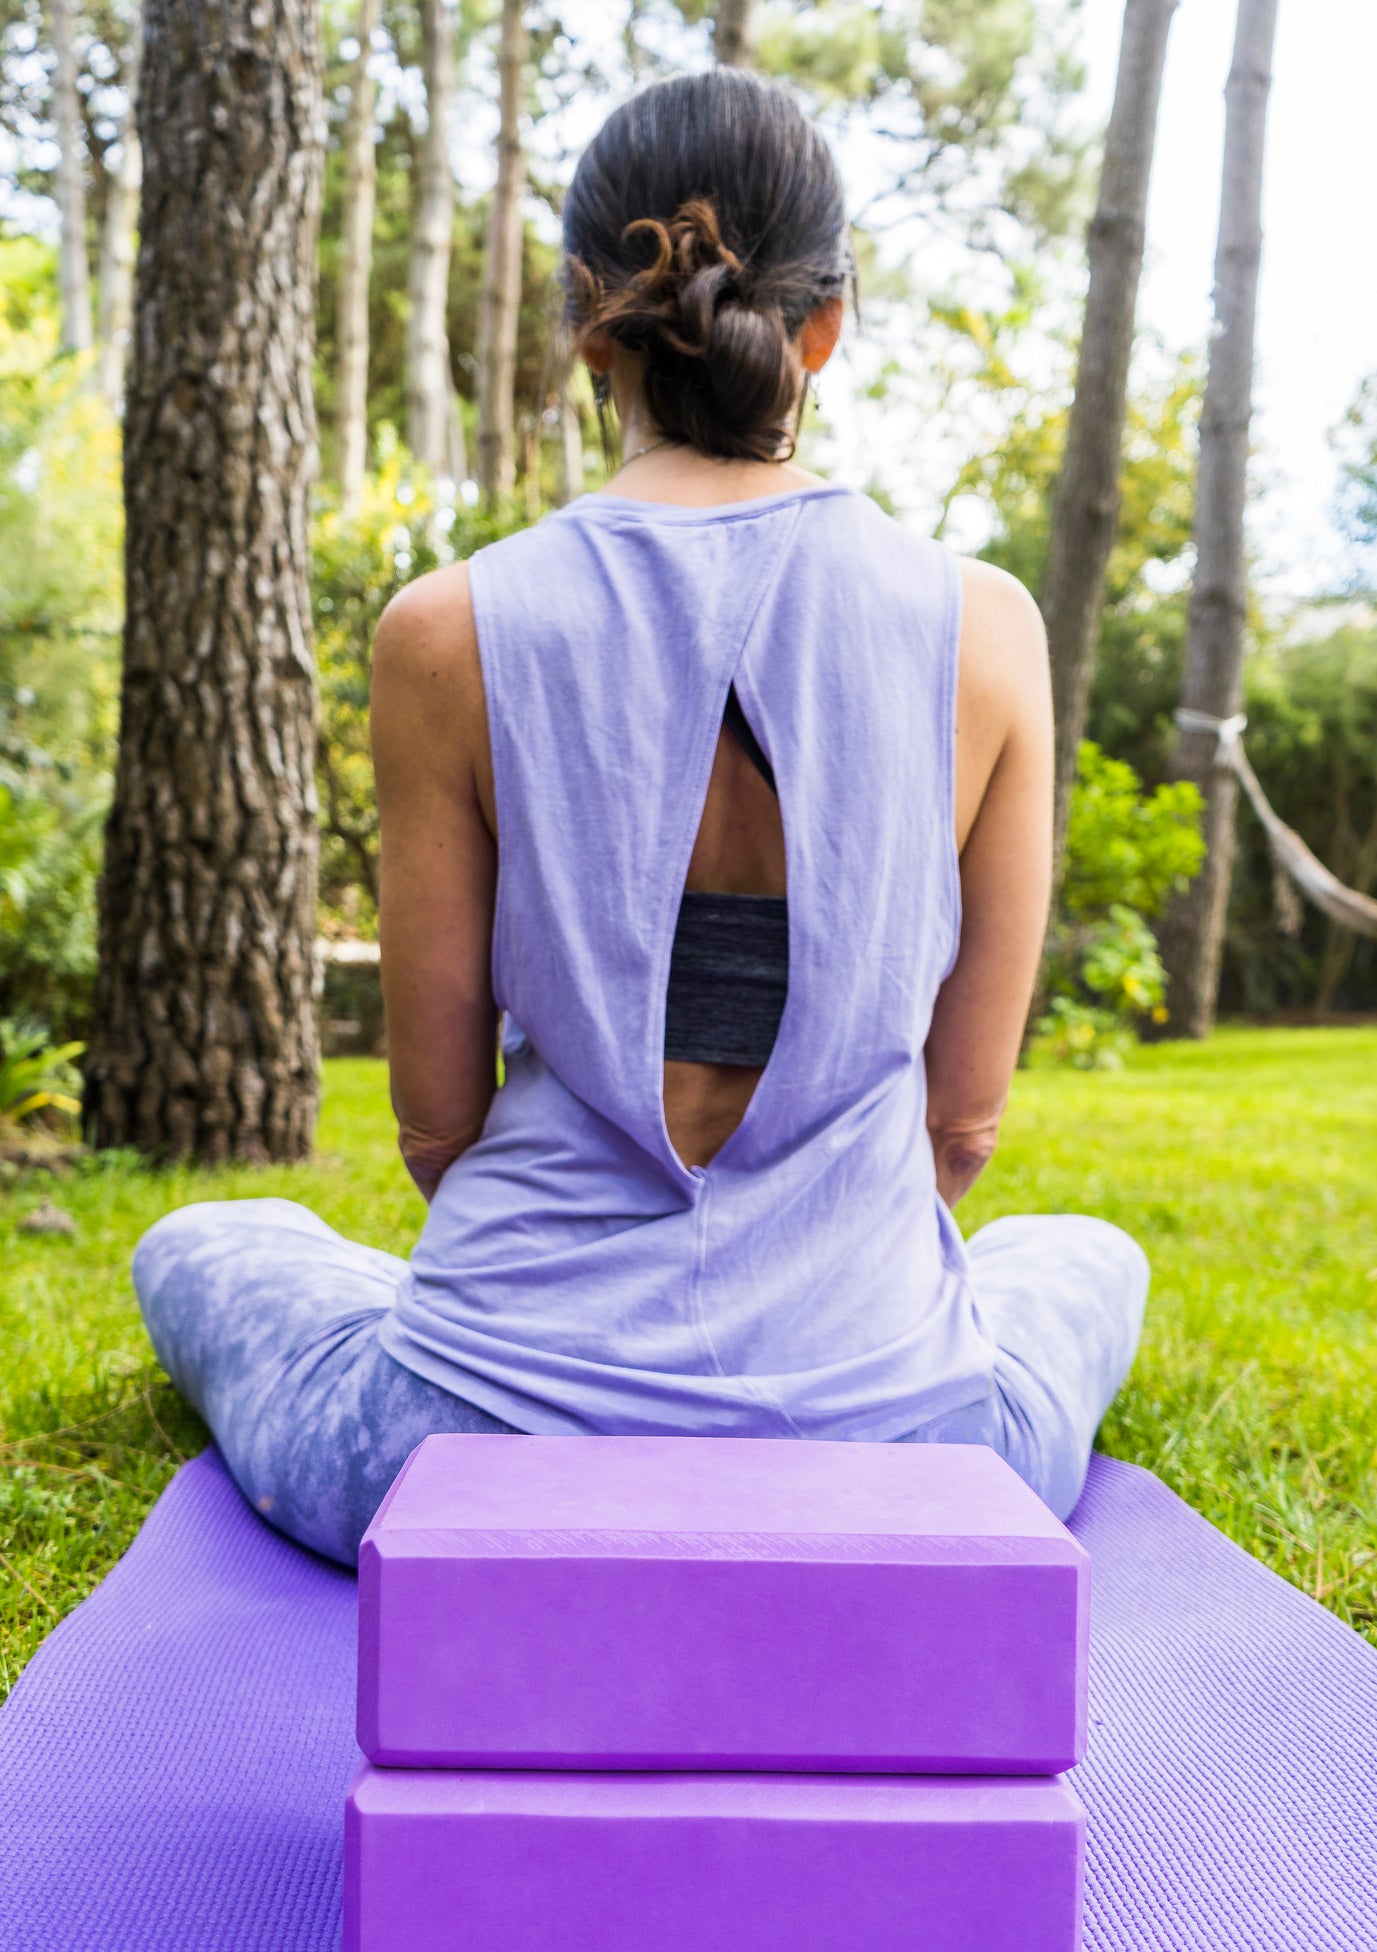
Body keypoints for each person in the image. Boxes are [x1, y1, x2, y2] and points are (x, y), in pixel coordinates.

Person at [134, 69, 1148, 1568]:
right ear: (826, 324)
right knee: (1082, 1257)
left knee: (206, 1243)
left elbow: (434, 1125)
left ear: (582, 322)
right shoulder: (985, 628)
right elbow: (964, 1123)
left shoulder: (446, 631)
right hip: (907, 1457)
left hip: (465, 1456)